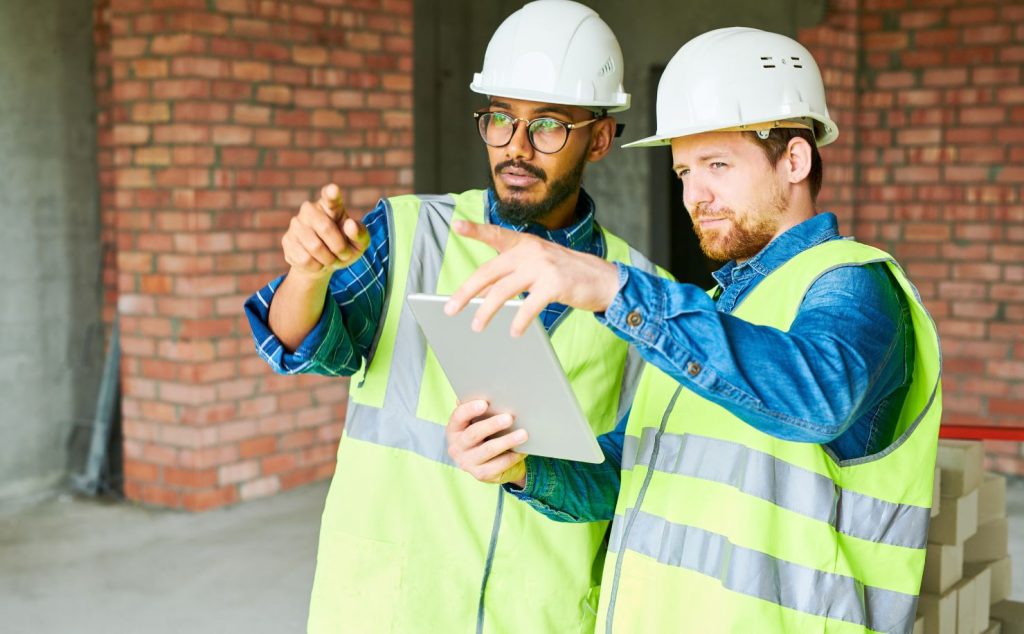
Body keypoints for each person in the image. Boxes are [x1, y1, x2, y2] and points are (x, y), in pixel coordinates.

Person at [446, 27, 941, 633]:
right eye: (683, 171)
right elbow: (625, 473)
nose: (694, 195)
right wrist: (520, 469)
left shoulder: (854, 284)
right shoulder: (709, 311)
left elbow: (816, 398)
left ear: (795, 159)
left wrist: (613, 287)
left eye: (717, 165)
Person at [244, 2, 666, 632]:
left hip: (537, 619)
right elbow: (298, 345)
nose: (516, 148)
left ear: (600, 139)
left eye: (547, 125)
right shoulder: (414, 231)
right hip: (388, 611)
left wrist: (530, 472)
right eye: (500, 119)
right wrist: (308, 274)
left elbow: (627, 481)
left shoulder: (641, 295)